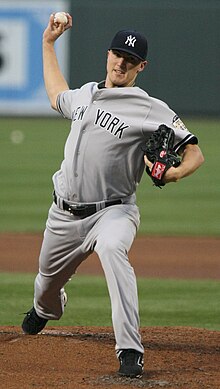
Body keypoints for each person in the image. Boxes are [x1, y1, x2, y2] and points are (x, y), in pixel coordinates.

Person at [22, 13, 204, 378]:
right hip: (63, 215)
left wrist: (175, 172)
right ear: (108, 55)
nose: (122, 62)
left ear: (141, 66)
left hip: (114, 213)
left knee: (111, 249)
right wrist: (47, 43)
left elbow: (194, 152)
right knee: (44, 287)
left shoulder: (150, 107)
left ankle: (130, 350)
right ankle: (46, 309)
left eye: (131, 59)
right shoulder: (86, 94)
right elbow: (57, 93)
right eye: (118, 54)